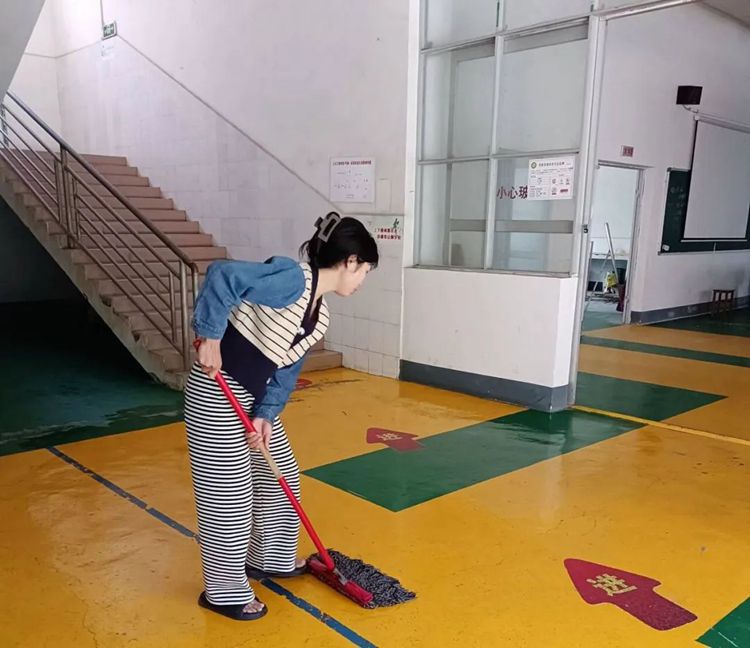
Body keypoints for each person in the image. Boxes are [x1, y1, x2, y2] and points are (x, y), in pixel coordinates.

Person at [185, 212, 378, 621]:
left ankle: (269, 558)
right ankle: (223, 591)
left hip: (252, 400)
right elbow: (223, 275)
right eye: (365, 270)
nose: (363, 280)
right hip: (217, 392)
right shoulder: (293, 279)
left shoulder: (319, 316)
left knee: (281, 475)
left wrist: (266, 415)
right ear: (350, 261)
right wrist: (211, 334)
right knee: (228, 496)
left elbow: (285, 372)